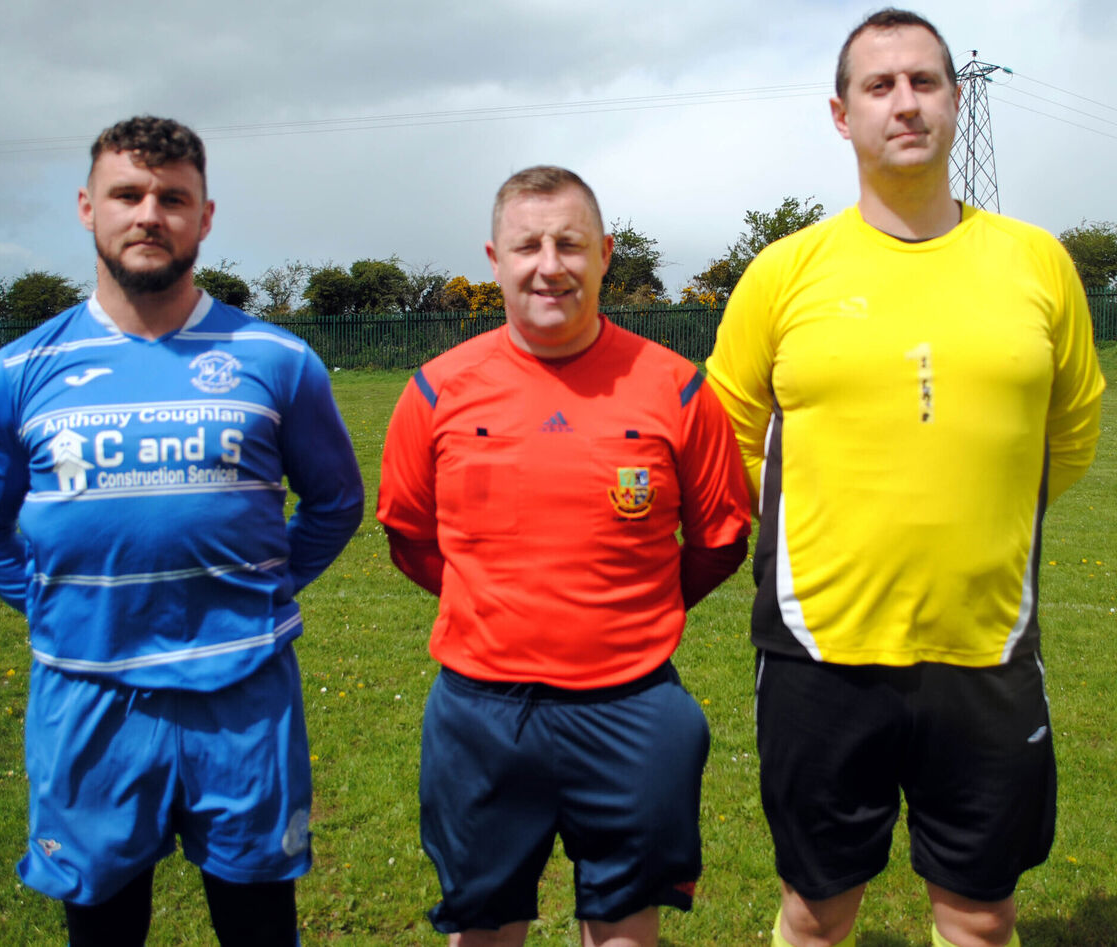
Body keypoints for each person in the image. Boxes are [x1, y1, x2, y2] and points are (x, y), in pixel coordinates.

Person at [706, 10, 1106, 947]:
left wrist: (985, 505)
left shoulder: (1037, 262)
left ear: (957, 101)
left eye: (924, 81)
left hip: (986, 646)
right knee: (816, 907)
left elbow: (1074, 425)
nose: (905, 102)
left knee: (980, 911)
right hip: (820, 650)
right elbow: (723, 432)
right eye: (879, 86)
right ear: (842, 115)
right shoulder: (785, 271)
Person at [0, 116, 364, 946]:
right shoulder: (18, 372)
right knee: (102, 930)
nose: (149, 214)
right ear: (86, 208)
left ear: (204, 216)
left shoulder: (277, 359)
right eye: (127, 194)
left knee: (258, 927)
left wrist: (266, 586)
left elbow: (336, 503)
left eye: (173, 197)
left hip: (243, 694)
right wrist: (61, 607)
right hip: (89, 695)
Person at [377, 165, 752, 946]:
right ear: (495, 258)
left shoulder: (678, 389)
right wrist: (493, 608)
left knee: (623, 926)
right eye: (528, 245)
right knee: (482, 926)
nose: (550, 264)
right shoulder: (438, 390)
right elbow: (410, 536)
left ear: (606, 252)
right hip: (481, 711)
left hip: (632, 707)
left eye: (570, 243)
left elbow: (719, 538)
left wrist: (634, 606)